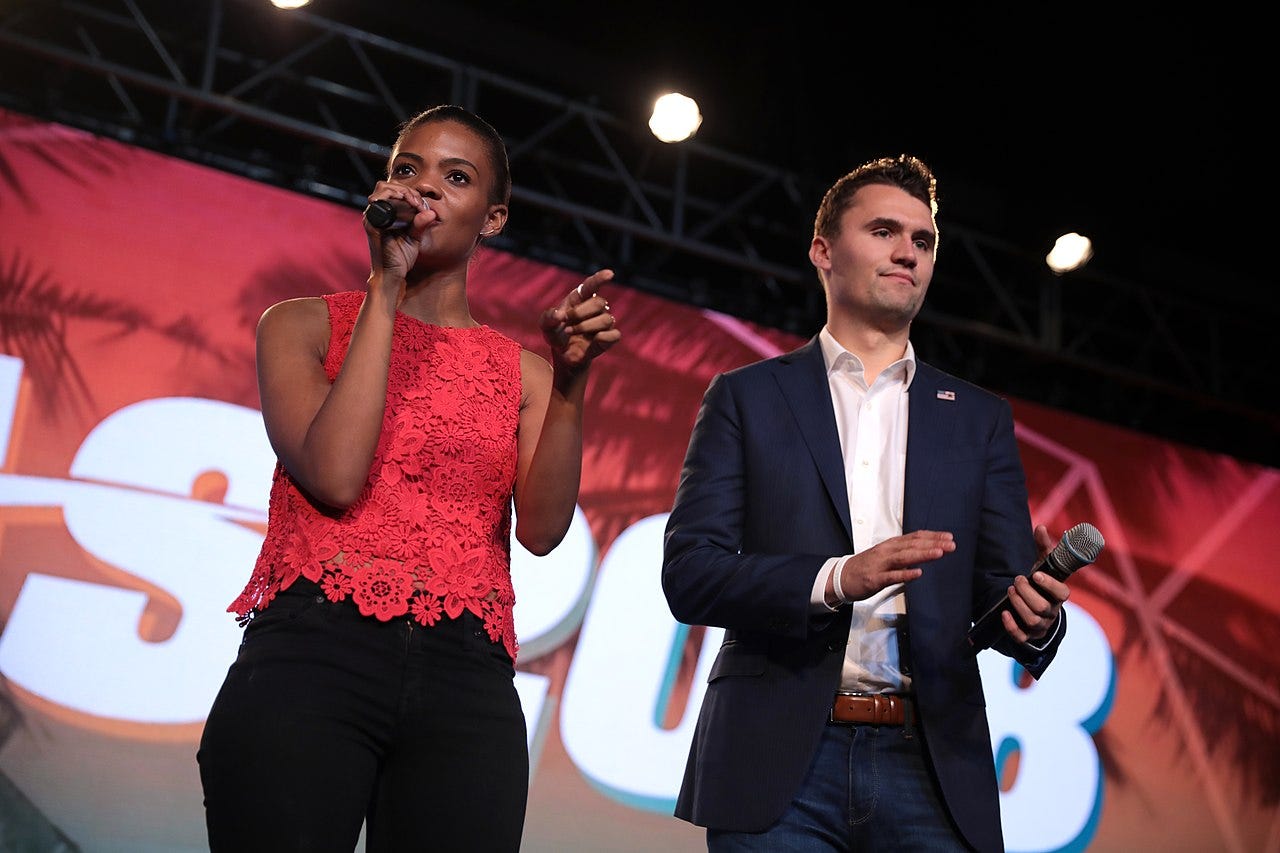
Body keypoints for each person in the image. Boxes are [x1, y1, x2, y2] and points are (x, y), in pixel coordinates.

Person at [196, 104, 620, 853]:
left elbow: (544, 531)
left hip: (466, 681)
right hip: (310, 655)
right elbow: (334, 475)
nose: (424, 187)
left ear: (492, 219)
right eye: (407, 168)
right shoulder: (300, 325)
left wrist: (569, 383)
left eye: (455, 178)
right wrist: (384, 288)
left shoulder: (523, 374)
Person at [661, 154, 1069, 853]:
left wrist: (1034, 616)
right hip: (778, 763)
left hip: (933, 768)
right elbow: (691, 573)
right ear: (823, 251)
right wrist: (838, 578)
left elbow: (999, 604)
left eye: (923, 240)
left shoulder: (979, 420)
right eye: (884, 231)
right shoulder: (747, 397)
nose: (908, 250)